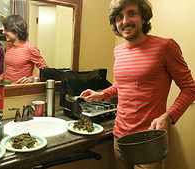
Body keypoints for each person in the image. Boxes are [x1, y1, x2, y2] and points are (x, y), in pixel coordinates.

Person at [80, 0, 195, 168]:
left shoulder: (165, 46)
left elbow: (190, 89)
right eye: (119, 17)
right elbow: (123, 85)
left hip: (149, 139)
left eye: (131, 13)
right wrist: (102, 94)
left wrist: (168, 117)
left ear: (143, 17)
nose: (125, 21)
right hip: (119, 136)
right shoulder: (118, 51)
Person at [0, 15, 48, 84]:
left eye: (6, 29)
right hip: (7, 86)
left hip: (21, 90)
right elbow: (11, 70)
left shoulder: (30, 49)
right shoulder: (8, 45)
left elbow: (46, 71)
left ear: (16, 31)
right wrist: (0, 78)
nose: (3, 32)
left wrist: (30, 79)